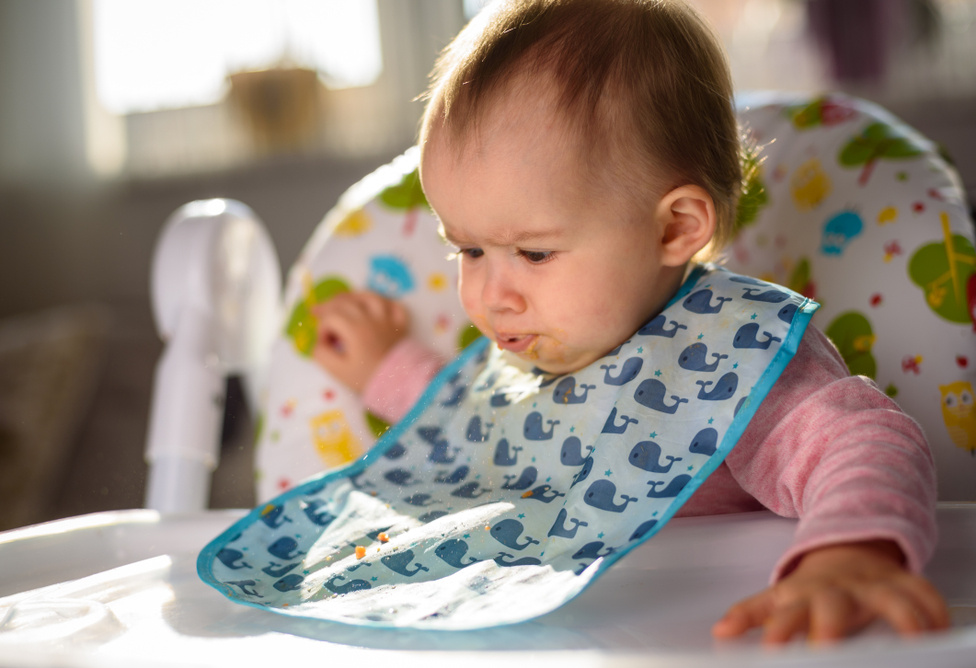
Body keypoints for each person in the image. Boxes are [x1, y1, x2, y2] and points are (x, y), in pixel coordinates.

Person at [310, 0, 949, 644]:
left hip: (701, 634)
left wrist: (846, 555)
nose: (490, 294)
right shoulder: (540, 348)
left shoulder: (730, 356)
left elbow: (858, 441)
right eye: (468, 250)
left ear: (674, 227)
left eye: (533, 253)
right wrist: (386, 366)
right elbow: (477, 427)